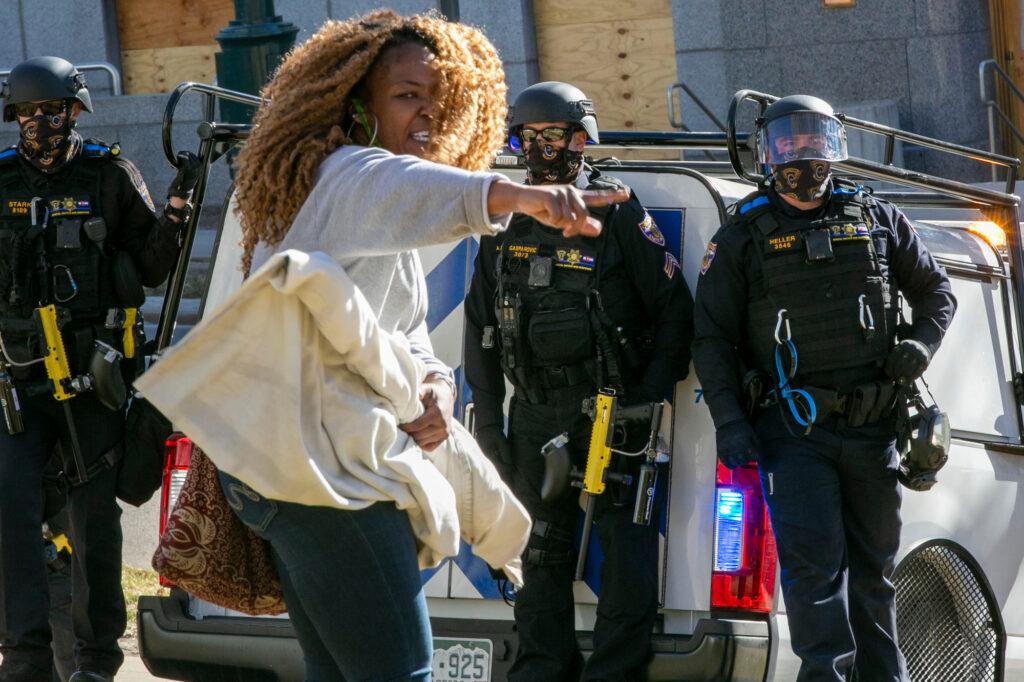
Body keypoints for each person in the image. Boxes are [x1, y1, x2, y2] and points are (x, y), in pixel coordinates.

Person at [217, 12, 629, 681]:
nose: (429, 113)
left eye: (439, 100)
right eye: (407, 95)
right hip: (319, 472)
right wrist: (522, 195)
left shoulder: (365, 208)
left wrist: (433, 390)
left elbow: (407, 330)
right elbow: (415, 188)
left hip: (290, 467)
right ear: (356, 106)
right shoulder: (344, 175)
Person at [691, 94, 957, 682]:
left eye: (814, 140)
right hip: (793, 433)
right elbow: (710, 338)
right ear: (768, 152)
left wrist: (921, 344)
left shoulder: (876, 217)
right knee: (815, 584)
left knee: (875, 579)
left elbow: (938, 293)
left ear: (834, 147)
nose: (802, 154)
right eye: (789, 142)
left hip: (874, 431)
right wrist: (731, 422)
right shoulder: (744, 235)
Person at [463, 81, 695, 681]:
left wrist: (643, 403)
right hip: (535, 415)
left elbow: (674, 312)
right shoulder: (503, 221)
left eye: (555, 135)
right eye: (529, 136)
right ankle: (541, 671)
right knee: (535, 556)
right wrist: (489, 429)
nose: (542, 147)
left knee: (626, 560)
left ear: (582, 137)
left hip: (612, 416)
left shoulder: (615, 207)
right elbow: (480, 332)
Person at [0, 56, 201, 682]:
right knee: (11, 508)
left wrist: (175, 213)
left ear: (76, 111)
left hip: (92, 378)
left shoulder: (110, 174)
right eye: (30, 114)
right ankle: (26, 656)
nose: (42, 124)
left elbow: (147, 266)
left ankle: (95, 660)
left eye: (53, 112)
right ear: (15, 118)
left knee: (94, 522)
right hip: (18, 380)